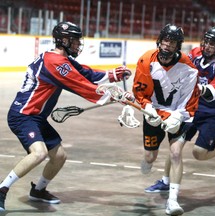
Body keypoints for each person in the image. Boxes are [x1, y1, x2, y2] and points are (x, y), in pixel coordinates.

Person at [0, 21, 133, 212]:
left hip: (36, 117)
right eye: (75, 41)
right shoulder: (55, 63)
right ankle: (2, 190)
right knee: (39, 153)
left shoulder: (61, 60)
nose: (78, 45)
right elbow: (82, 85)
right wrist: (117, 95)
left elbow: (85, 73)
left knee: (60, 156)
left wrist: (113, 75)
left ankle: (38, 191)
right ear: (63, 40)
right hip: (23, 116)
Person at [145, 26, 215, 213]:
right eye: (207, 41)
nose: (208, 46)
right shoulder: (194, 54)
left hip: (213, 112)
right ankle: (166, 182)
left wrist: (201, 89)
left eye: (213, 44)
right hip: (190, 108)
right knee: (175, 146)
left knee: (199, 153)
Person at [132, 24, 199, 215]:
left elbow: (190, 101)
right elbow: (139, 91)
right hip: (154, 112)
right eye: (166, 40)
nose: (168, 45)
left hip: (178, 114)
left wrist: (177, 117)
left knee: (176, 152)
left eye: (173, 42)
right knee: (149, 156)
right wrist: (148, 108)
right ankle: (148, 159)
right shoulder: (146, 60)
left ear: (178, 45)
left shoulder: (189, 68)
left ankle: (172, 201)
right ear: (160, 41)